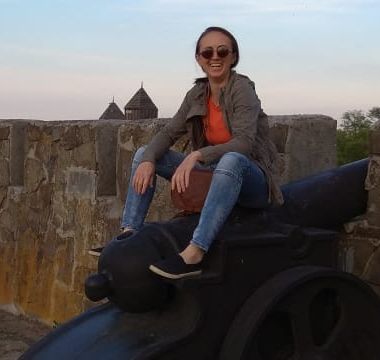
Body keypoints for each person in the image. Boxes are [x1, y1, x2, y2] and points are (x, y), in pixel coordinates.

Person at [100, 26, 283, 280]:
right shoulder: (197, 94)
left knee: (231, 160)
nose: (215, 57)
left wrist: (196, 156)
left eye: (222, 51)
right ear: (199, 59)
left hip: (251, 179)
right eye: (207, 53)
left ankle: (195, 252)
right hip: (213, 175)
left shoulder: (242, 89)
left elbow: (243, 143)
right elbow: (168, 133)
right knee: (144, 153)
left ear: (233, 56)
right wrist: (148, 160)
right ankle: (130, 234)